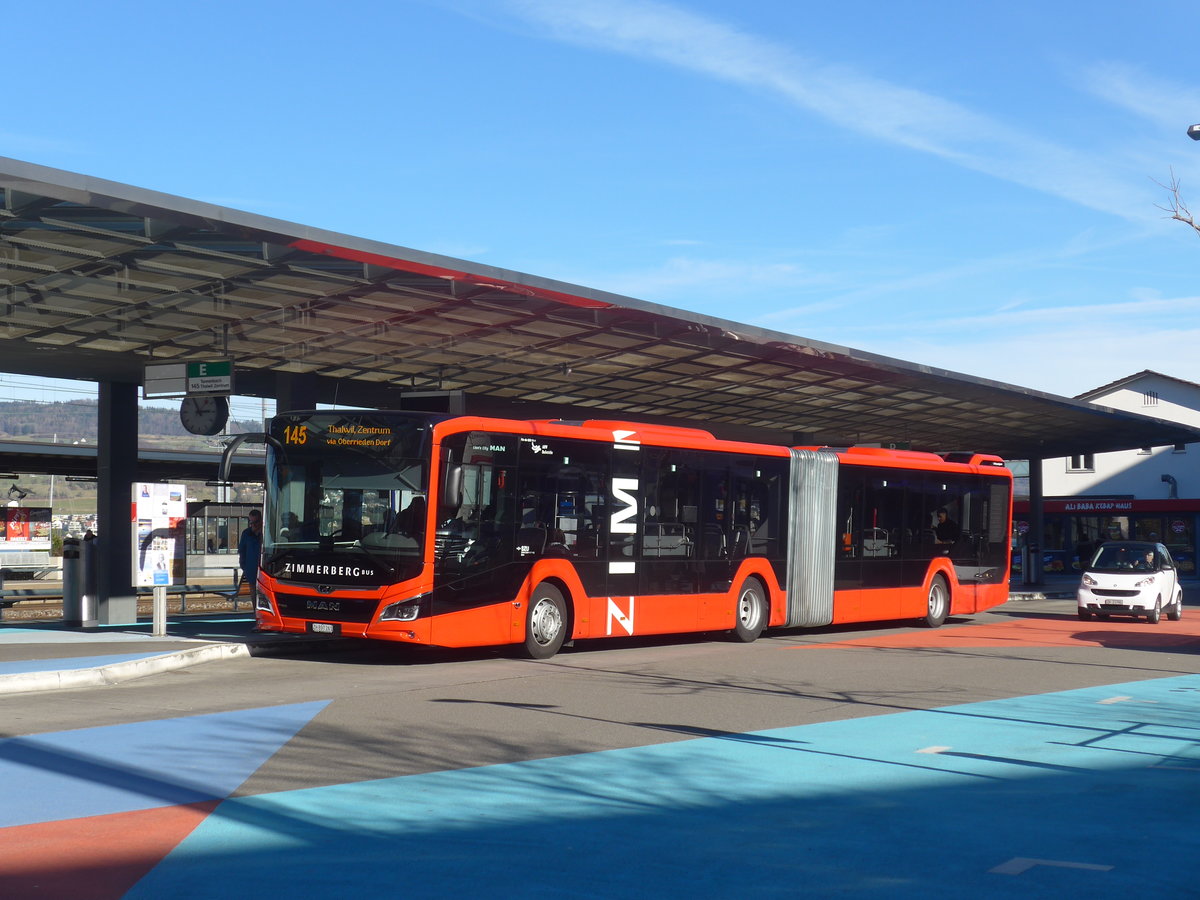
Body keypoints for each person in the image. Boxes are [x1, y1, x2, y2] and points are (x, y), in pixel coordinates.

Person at [238, 509, 263, 604]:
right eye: (251, 522)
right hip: (251, 569)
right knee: (253, 592)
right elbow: (242, 551)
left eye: (255, 522)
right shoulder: (246, 534)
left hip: (264, 569)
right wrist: (244, 566)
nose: (253, 525)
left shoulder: (266, 534)